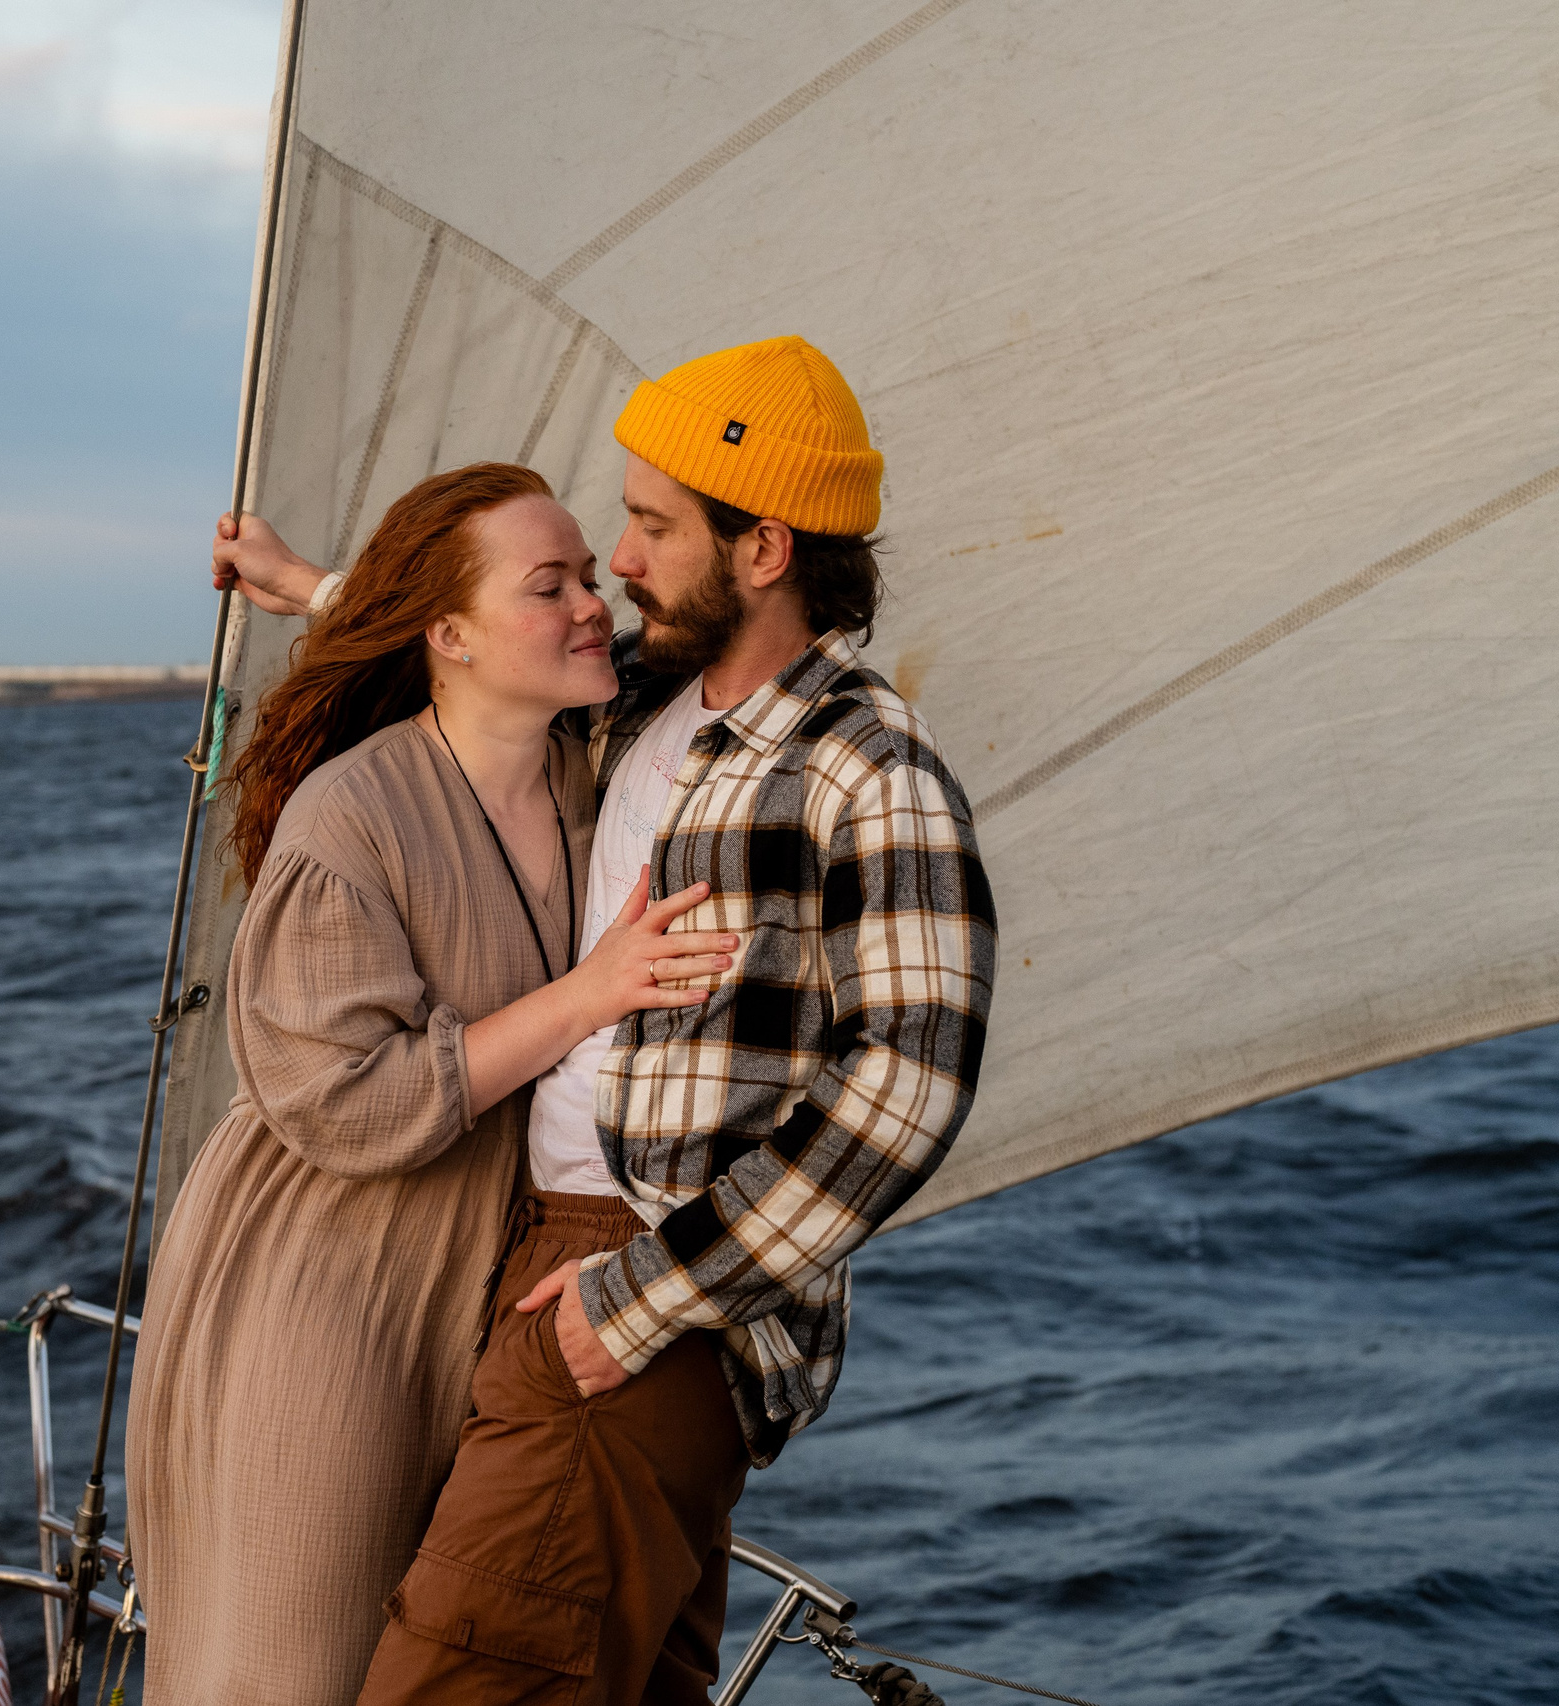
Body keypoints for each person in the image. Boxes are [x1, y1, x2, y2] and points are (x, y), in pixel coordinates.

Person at [224, 336, 999, 1704]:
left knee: (456, 1683)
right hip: (552, 1264)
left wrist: (642, 1303)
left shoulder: (870, 768)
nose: (621, 565)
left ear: (763, 549)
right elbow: (494, 637)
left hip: (650, 1290)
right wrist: (317, 589)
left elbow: (910, 1087)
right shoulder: (643, 706)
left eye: (650, 528)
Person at [129, 462, 743, 1706]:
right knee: (303, 1667)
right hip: (322, 1282)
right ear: (450, 638)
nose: (591, 604)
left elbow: (438, 608)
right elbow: (344, 1099)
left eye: (588, 573)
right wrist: (591, 989)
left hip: (484, 1275)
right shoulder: (348, 816)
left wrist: (309, 585)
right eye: (552, 585)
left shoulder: (596, 773)